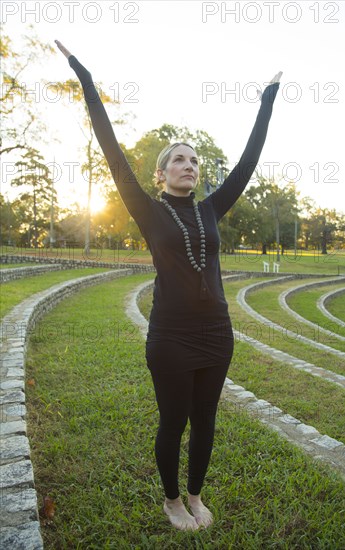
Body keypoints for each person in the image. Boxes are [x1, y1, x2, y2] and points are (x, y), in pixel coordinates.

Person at [55, 40, 281, 531]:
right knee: (173, 421)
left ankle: (196, 495)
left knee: (206, 421)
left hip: (217, 332)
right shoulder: (148, 208)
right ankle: (173, 500)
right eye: (179, 159)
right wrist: (85, 77)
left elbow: (248, 160)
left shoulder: (210, 208)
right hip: (171, 335)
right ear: (161, 174)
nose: (189, 165)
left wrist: (268, 98)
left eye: (194, 160)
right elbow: (110, 147)